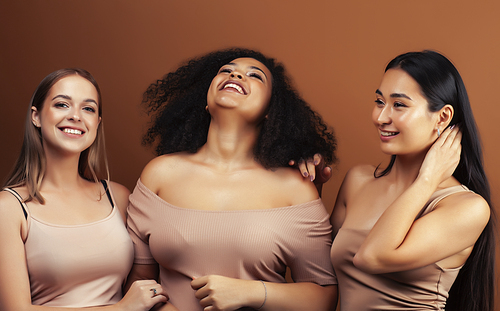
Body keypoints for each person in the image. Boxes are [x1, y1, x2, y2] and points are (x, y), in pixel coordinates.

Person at [126, 48, 338, 311]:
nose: (236, 74)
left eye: (255, 76)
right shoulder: (159, 174)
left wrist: (251, 292)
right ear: (205, 100)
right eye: (226, 70)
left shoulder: (295, 188)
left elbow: (324, 296)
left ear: (272, 110)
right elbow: (138, 284)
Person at [328, 51, 495, 310]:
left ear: (442, 117)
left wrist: (427, 181)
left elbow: (370, 257)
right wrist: (307, 185)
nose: (381, 117)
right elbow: (319, 273)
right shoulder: (357, 182)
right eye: (379, 101)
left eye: (399, 105)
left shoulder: (467, 207)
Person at [0, 68, 167, 310]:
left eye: (88, 109)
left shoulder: (118, 197)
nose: (76, 116)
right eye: (62, 105)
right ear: (36, 116)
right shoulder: (9, 208)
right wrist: (120, 309)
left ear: (97, 123)